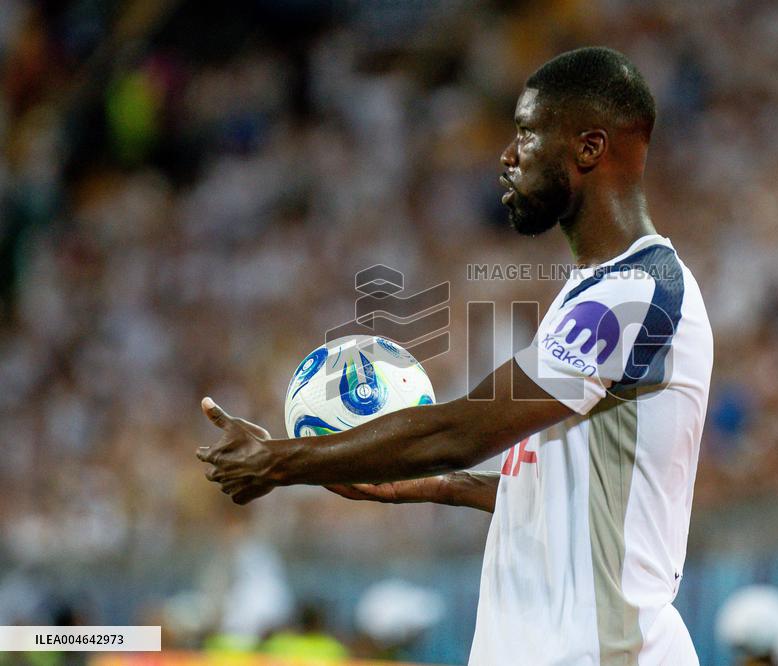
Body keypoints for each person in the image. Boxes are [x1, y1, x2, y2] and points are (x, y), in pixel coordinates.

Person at [198, 47, 713, 665]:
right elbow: (564, 497)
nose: (507, 155)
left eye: (526, 132)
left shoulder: (636, 293)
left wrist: (281, 461)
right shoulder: (594, 291)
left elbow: (467, 426)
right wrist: (435, 485)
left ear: (589, 148)